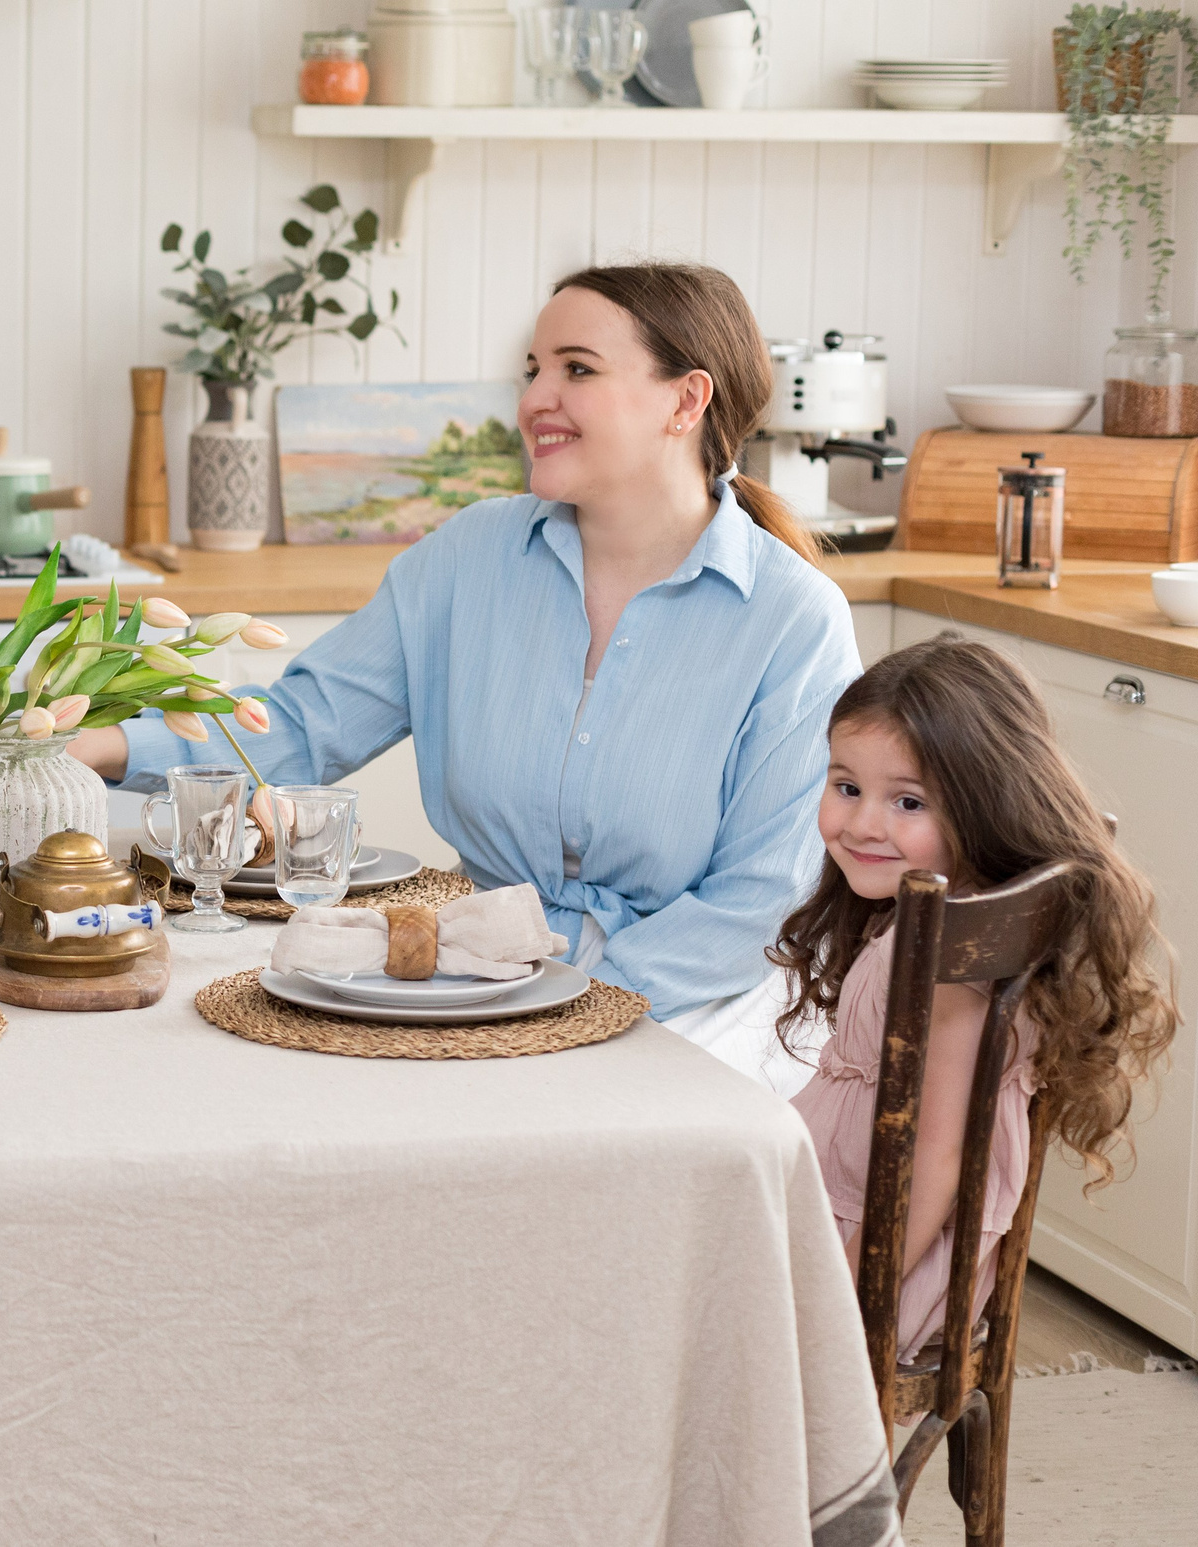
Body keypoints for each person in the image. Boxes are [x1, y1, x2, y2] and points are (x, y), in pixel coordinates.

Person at [72, 263, 862, 1090]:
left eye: (577, 369)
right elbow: (304, 725)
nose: (534, 399)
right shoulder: (469, 557)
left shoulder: (793, 620)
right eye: (534, 370)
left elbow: (758, 906)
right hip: (489, 980)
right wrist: (105, 744)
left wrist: (574, 1003)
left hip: (693, 1005)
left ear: (685, 401)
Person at [780, 635, 1174, 1361]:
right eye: (847, 786)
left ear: (983, 803)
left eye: (908, 800)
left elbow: (936, 1155)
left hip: (876, 1257)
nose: (864, 823)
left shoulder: (952, 948)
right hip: (845, 1210)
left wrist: (849, 1289)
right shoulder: (951, 912)